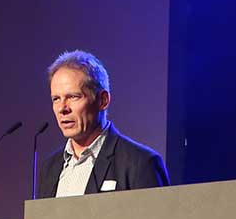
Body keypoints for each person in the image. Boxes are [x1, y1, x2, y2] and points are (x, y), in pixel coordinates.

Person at [38, 50, 169, 198]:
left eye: (73, 97)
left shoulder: (140, 163)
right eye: (56, 99)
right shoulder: (49, 167)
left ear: (103, 100)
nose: (62, 108)